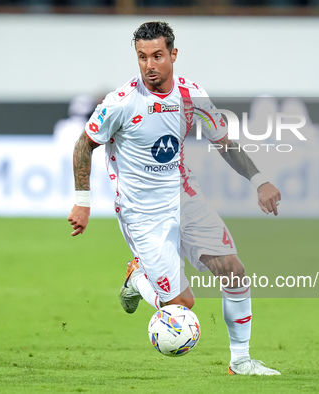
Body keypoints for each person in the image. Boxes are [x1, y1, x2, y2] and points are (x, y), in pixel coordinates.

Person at [67, 21, 282, 376]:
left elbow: (223, 142)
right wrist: (82, 200)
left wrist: (259, 181)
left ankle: (240, 361)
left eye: (157, 56)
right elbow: (84, 144)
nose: (149, 65)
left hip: (185, 196)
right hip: (141, 212)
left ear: (173, 55)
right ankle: (136, 279)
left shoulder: (190, 95)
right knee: (183, 305)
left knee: (235, 272)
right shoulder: (121, 102)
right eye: (142, 57)